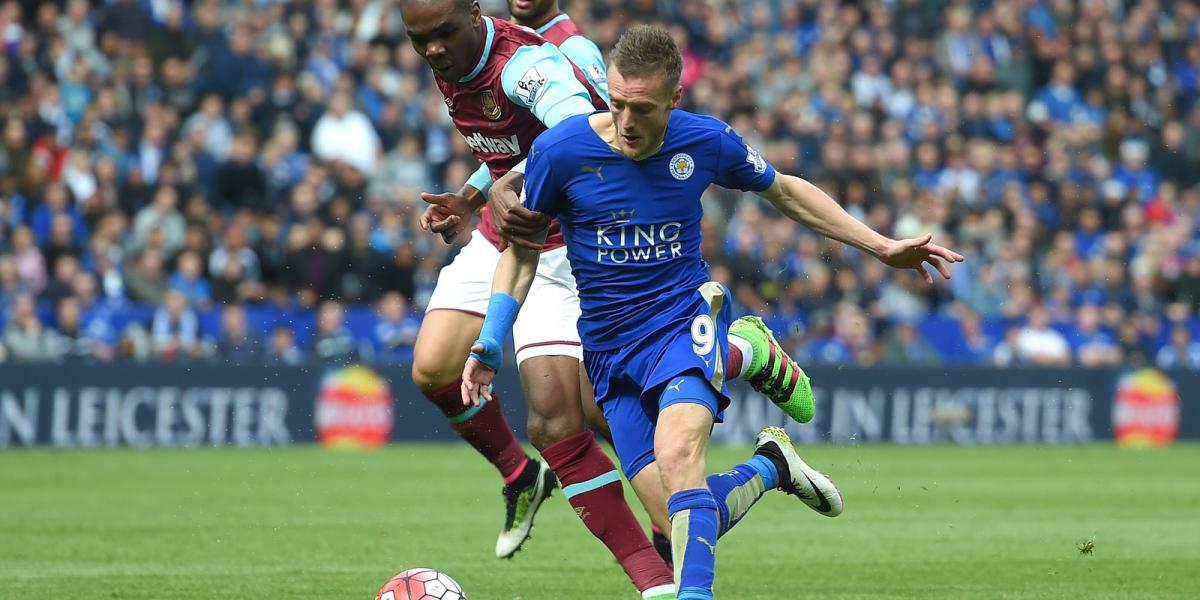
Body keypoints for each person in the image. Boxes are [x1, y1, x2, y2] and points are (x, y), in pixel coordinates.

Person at [462, 26, 963, 598]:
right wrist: (490, 342)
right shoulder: (561, 151)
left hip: (683, 322)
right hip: (607, 353)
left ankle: (737, 355)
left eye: (643, 109)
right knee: (687, 515)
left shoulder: (705, 142)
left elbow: (788, 192)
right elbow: (520, 255)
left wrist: (881, 246)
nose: (627, 121)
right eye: (618, 104)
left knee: (678, 460)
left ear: (675, 100)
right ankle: (770, 464)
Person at [401, 3, 817, 583]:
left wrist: (505, 184)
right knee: (433, 368)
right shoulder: (452, 49)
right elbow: (522, 146)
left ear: (469, 16)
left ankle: (741, 362)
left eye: (441, 35)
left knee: (596, 435)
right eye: (420, 39)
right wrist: (476, 195)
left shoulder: (537, 59)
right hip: (513, 234)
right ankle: (525, 478)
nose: (433, 49)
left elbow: (577, 136)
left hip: (568, 242)